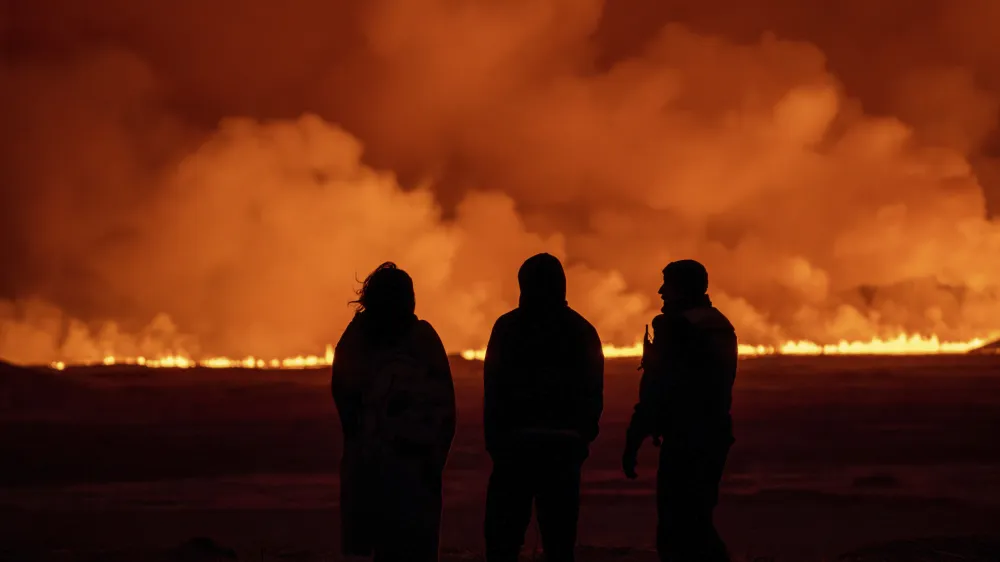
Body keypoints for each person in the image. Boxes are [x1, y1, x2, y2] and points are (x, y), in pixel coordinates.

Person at [482, 253, 605, 562]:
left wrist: (497, 443)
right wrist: (581, 437)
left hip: (514, 448)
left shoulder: (507, 328)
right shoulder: (582, 330)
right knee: (559, 540)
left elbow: (493, 389)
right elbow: (593, 392)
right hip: (563, 449)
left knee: (503, 540)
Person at [331, 262, 456, 562]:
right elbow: (445, 409)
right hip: (407, 472)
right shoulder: (420, 339)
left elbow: (344, 402)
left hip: (378, 470)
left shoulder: (356, 340)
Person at [622, 259, 738, 562]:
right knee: (698, 519)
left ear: (681, 287)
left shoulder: (676, 326)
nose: (661, 291)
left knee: (676, 526)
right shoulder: (718, 322)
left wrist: (634, 438)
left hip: (686, 439)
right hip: (715, 434)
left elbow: (658, 388)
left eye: (667, 284)